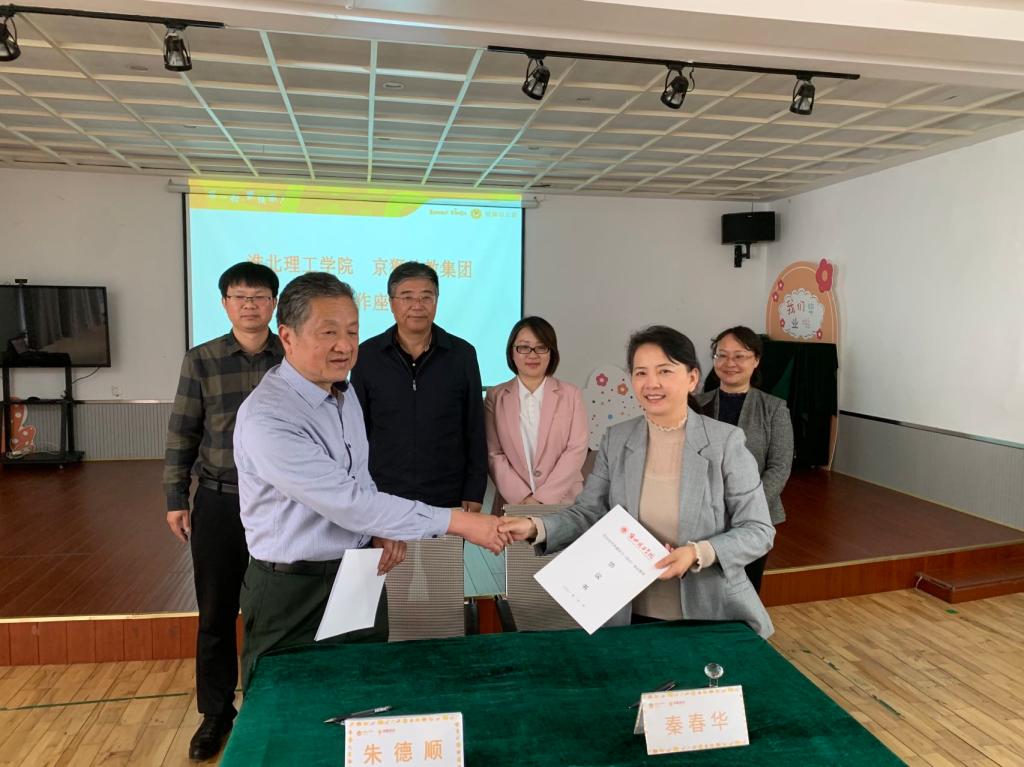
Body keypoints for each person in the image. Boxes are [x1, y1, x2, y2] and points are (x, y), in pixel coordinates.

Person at [234, 273, 507, 690]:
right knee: (289, 706)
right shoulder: (269, 416)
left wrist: (376, 529)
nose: (344, 346)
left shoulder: (342, 394)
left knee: (367, 693)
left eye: (352, 332)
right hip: (294, 589)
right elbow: (348, 501)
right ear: (287, 337)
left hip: (358, 572)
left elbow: (359, 477)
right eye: (328, 332)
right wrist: (462, 522)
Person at [500, 326, 776, 638]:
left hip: (709, 613)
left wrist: (698, 553)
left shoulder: (725, 443)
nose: (651, 383)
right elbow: (589, 512)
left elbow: (758, 531)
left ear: (692, 378)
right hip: (628, 612)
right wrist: (536, 527)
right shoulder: (617, 439)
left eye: (665, 371)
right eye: (641, 372)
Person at [163, 261, 283, 762]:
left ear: (274, 303)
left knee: (273, 607)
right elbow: (183, 430)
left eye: (259, 296)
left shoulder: (294, 354)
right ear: (225, 303)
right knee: (215, 611)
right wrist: (175, 497)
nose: (249, 305)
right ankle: (215, 714)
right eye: (239, 296)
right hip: (220, 499)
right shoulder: (202, 359)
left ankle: (270, 701)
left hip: (281, 503)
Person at [351, 262, 486, 513]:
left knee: (446, 545)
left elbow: (475, 427)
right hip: (383, 493)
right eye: (407, 297)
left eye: (426, 297)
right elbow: (357, 429)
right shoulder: (367, 355)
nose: (417, 305)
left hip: (448, 494)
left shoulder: (462, 355)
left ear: (436, 301)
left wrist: (474, 489)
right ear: (391, 303)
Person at [696, 326, 793, 593]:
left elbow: (780, 467)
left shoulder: (773, 408)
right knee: (704, 591)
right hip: (703, 514)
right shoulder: (696, 404)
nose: (730, 363)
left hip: (753, 517)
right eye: (722, 355)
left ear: (756, 360)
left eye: (739, 356)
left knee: (744, 591)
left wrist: (747, 505)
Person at [484, 316, 588, 509]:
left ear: (551, 352)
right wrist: (523, 498)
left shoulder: (571, 394)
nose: (532, 355)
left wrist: (541, 500)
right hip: (513, 504)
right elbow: (493, 453)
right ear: (512, 352)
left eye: (541, 347)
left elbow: (576, 449)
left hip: (565, 502)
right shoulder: (495, 396)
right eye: (523, 347)